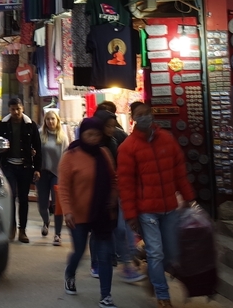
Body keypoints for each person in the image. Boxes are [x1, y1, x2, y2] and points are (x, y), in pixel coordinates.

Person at [119, 101, 195, 308]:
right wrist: (131, 215)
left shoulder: (167, 140)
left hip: (169, 207)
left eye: (147, 113)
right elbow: (126, 185)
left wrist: (188, 197)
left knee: (171, 253)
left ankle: (152, 275)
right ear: (133, 118)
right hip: (146, 211)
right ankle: (163, 295)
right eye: (139, 115)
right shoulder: (128, 148)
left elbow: (179, 171)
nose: (145, 117)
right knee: (156, 252)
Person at [60, 117, 119, 308]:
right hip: (78, 214)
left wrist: (112, 196)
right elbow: (64, 188)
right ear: (82, 135)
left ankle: (106, 296)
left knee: (105, 254)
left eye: (97, 135)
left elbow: (113, 179)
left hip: (102, 213)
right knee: (79, 251)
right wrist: (67, 211)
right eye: (90, 134)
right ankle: (70, 273)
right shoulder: (70, 156)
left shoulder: (103, 154)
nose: (94, 138)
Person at [92, 109, 145, 283]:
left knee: (123, 228)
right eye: (108, 126)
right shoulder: (93, 144)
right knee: (103, 232)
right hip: (100, 195)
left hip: (118, 191)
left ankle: (127, 264)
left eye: (113, 126)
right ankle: (100, 263)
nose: (111, 129)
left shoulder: (114, 141)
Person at [0, 98, 42, 243]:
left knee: (23, 199)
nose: (15, 112)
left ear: (23, 109)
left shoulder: (30, 125)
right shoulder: (2, 125)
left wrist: (37, 169)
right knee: (10, 196)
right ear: (9, 110)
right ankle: (11, 228)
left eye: (18, 109)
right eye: (13, 109)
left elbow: (38, 148)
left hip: (25, 167)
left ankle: (22, 230)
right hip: (8, 166)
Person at [36, 109, 68, 246]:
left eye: (53, 119)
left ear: (57, 120)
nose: (50, 121)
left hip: (58, 174)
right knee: (42, 204)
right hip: (42, 173)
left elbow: (67, 155)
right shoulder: (39, 135)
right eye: (48, 119)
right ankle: (46, 221)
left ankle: (58, 234)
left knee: (57, 205)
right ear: (45, 121)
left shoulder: (63, 137)